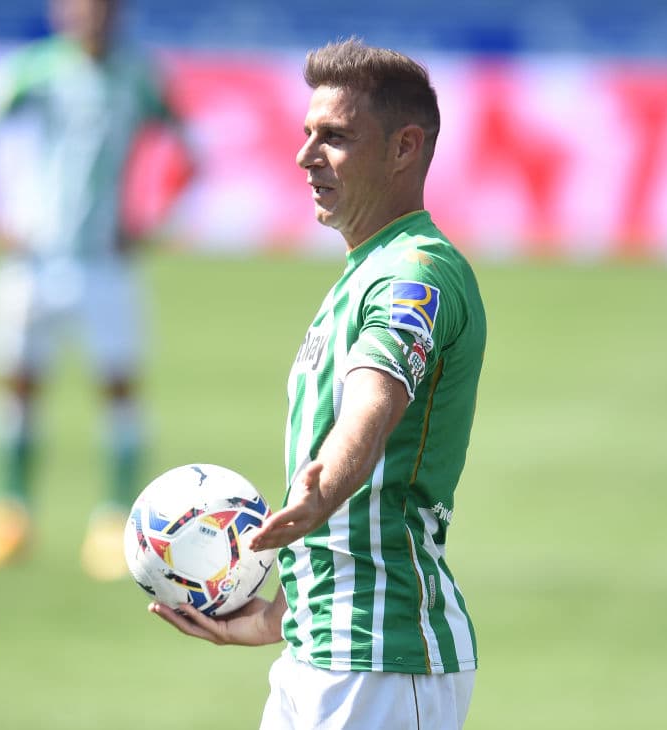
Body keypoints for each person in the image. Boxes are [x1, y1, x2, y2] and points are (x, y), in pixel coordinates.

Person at [151, 39, 488, 729]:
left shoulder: (414, 274)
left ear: (404, 148)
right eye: (307, 134)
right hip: (321, 651)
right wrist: (281, 614)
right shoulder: (365, 272)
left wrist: (322, 489)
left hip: (379, 663)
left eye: (334, 137)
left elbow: (376, 399)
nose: (306, 156)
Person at [0, 0, 189, 581]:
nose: (94, 16)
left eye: (105, 7)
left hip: (105, 262)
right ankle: (9, 517)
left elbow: (190, 152)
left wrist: (151, 223)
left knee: (119, 390)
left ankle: (114, 523)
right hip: (32, 259)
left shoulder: (140, 75)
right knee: (17, 383)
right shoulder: (34, 69)